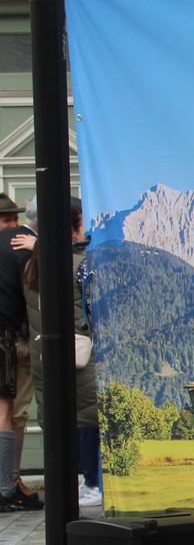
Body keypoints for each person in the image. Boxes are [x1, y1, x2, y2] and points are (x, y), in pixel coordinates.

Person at [16, 199, 98, 504]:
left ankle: (65, 483)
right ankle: (92, 483)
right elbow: (92, 311)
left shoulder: (33, 264)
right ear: (76, 226)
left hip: (44, 357)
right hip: (81, 355)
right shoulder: (81, 265)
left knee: (56, 417)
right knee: (88, 418)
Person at [0, 192, 36, 513]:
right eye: (7, 221)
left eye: (15, 220)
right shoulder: (18, 245)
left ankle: (10, 482)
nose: (14, 227)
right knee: (14, 411)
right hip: (12, 340)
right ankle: (9, 484)